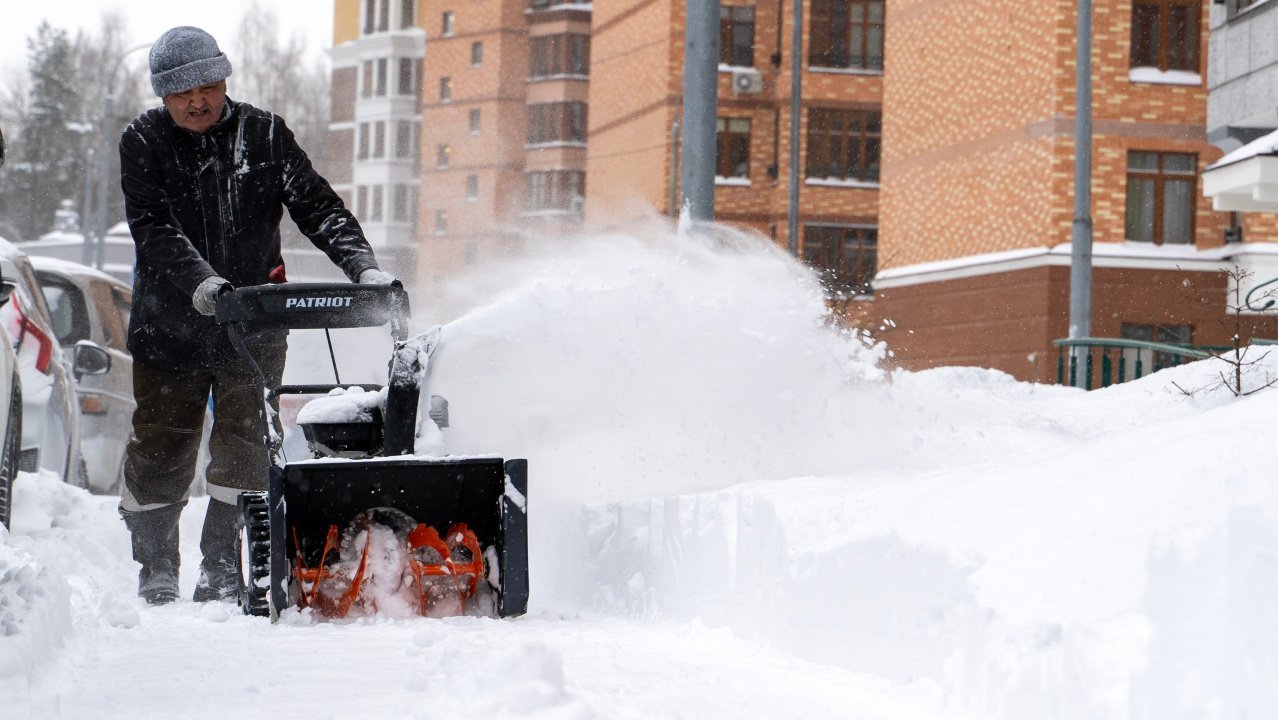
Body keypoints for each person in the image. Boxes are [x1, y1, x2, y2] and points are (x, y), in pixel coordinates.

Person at [117, 26, 396, 605]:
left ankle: (221, 564)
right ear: (162, 97)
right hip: (169, 326)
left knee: (246, 443)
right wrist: (202, 284)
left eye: (208, 87)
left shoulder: (264, 135)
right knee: (162, 445)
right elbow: (152, 227)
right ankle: (157, 568)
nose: (197, 102)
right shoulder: (143, 140)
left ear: (225, 80)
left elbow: (316, 206)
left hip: (256, 323)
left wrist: (363, 268)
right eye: (181, 93)